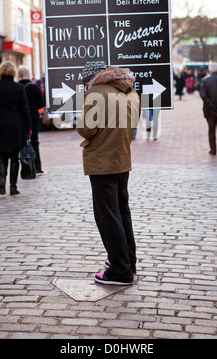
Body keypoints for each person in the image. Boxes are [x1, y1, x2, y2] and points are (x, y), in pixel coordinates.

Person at [77, 60, 140, 286]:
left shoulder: (97, 93)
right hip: (122, 158)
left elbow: (85, 128)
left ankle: (120, 271)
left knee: (107, 216)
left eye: (86, 82)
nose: (85, 86)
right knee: (122, 212)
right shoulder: (131, 90)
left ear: (93, 77)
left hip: (102, 161)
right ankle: (127, 261)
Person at [0, 61, 31, 195]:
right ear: (13, 72)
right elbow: (25, 109)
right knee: (14, 156)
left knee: (3, 155)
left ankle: (2, 179)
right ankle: (13, 186)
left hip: (0, 124)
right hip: (16, 125)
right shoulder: (19, 88)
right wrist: (28, 128)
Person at [18, 65, 45, 173]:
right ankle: (37, 166)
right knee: (34, 141)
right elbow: (41, 103)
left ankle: (25, 166)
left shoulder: (17, 87)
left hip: (21, 119)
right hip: (33, 118)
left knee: (22, 143)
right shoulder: (34, 87)